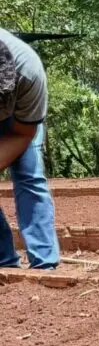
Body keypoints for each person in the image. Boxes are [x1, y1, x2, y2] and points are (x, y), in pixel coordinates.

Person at [0, 30, 59, 270]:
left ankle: (44, 263)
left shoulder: (29, 71)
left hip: (21, 120)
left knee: (29, 175)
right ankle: (4, 260)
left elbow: (23, 133)